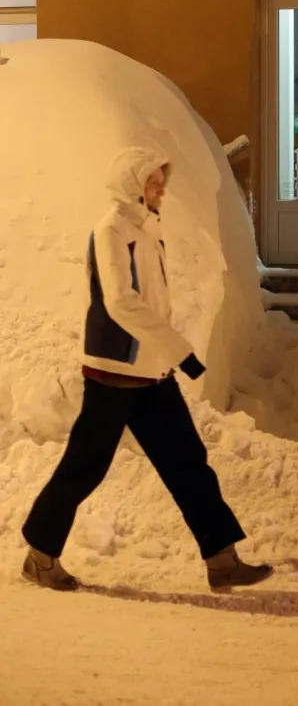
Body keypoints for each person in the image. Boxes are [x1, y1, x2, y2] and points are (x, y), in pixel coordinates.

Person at [21, 146, 273, 593]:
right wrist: (179, 350)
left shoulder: (147, 230)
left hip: (151, 373)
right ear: (132, 184)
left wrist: (165, 357)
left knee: (188, 462)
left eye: (161, 182)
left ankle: (222, 560)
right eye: (152, 182)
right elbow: (120, 302)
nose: (160, 190)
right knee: (86, 464)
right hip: (114, 371)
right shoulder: (112, 231)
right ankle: (40, 556)